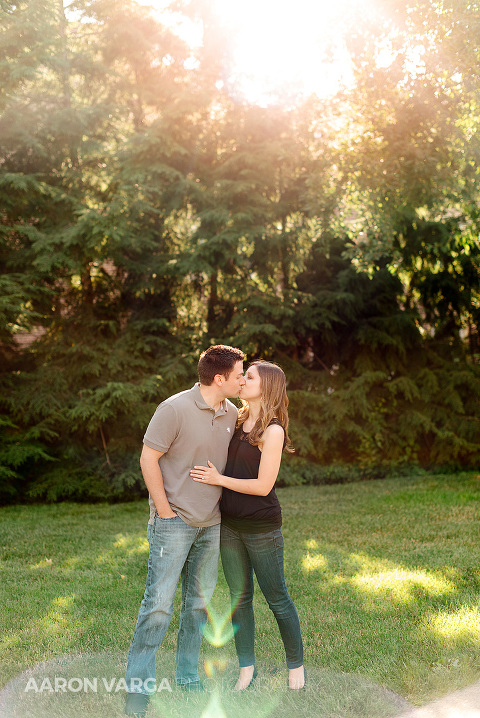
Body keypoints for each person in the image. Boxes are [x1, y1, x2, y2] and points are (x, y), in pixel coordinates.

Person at [125, 345, 245, 717]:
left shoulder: (231, 413)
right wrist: (165, 512)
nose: (243, 380)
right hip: (173, 523)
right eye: (239, 374)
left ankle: (188, 677)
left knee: (197, 607)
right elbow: (148, 458)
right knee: (158, 606)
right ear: (219, 378)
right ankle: (138, 688)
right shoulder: (173, 408)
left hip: (212, 525)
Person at [190, 360, 306, 691]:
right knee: (240, 599)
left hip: (261, 528)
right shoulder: (236, 420)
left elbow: (262, 486)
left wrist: (218, 479)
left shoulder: (273, 430)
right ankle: (246, 669)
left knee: (277, 597)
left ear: (266, 386)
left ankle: (295, 665)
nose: (242, 380)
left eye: (249, 377)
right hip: (230, 527)